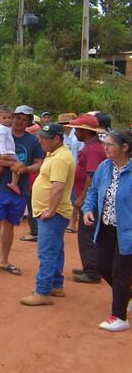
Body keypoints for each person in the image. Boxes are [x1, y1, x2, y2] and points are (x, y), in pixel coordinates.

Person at [0, 105, 44, 278]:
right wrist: (12, 164)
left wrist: (26, 168)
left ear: (29, 122)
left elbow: (39, 162)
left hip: (19, 189)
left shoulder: (32, 141)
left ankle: (4, 261)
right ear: (10, 118)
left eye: (25, 120)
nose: (20, 122)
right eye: (17, 118)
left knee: (9, 225)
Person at [20, 123, 76, 306]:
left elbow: (58, 187)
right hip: (55, 212)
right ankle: (56, 285)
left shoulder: (60, 158)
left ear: (57, 139)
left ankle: (42, 291)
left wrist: (50, 211)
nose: (40, 140)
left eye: (44, 137)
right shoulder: (56, 154)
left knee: (47, 252)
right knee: (56, 249)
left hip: (54, 213)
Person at [82, 129, 132, 331]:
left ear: (125, 147)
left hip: (127, 231)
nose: (105, 147)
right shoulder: (105, 167)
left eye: (110, 144)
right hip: (105, 227)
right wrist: (87, 209)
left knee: (120, 272)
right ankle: (127, 297)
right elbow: (93, 191)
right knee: (102, 266)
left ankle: (119, 316)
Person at [65, 114, 105, 284]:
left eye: (77, 129)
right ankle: (89, 266)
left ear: (84, 131)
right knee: (86, 233)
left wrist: (83, 197)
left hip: (91, 200)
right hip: (91, 199)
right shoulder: (92, 146)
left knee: (88, 234)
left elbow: (92, 174)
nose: (74, 132)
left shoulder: (92, 149)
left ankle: (93, 271)